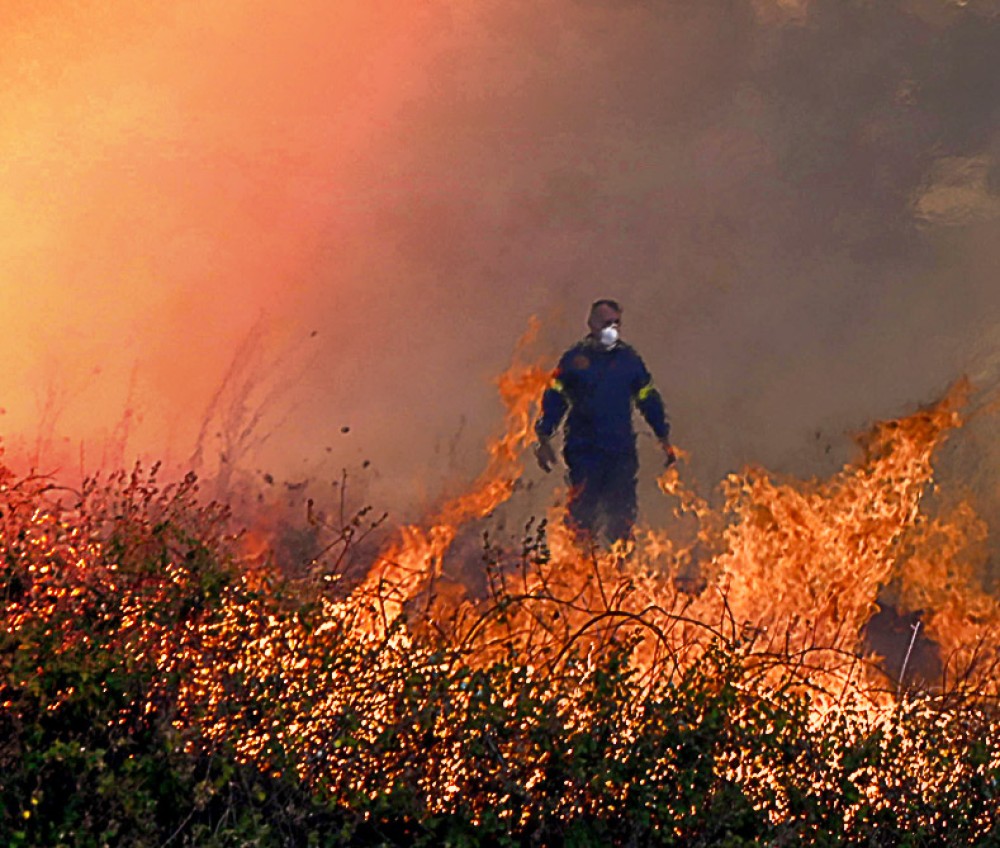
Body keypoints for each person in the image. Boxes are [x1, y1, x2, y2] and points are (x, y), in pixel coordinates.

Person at [533, 299, 675, 545]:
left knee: (621, 518)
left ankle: (618, 574)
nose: (612, 329)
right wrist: (544, 436)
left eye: (616, 323)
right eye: (606, 323)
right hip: (585, 452)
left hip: (620, 453)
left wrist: (663, 435)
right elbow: (555, 399)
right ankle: (581, 570)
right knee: (583, 518)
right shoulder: (574, 360)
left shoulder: (629, 361)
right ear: (592, 323)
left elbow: (647, 398)